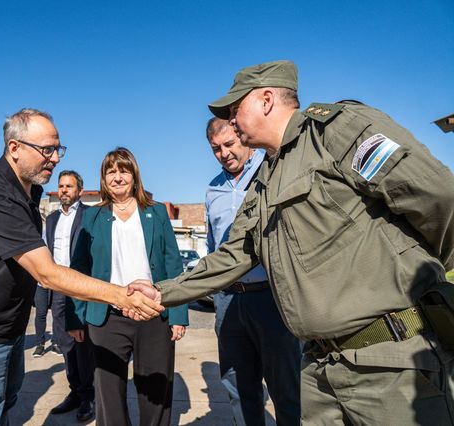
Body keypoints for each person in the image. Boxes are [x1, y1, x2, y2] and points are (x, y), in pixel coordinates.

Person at [128, 60, 454, 425]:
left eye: (236, 110)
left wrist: (433, 273)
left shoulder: (335, 130)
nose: (232, 121)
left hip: (387, 362)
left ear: (266, 100)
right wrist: (162, 293)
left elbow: (438, 197)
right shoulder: (266, 177)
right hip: (320, 368)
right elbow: (234, 254)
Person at [0, 109, 163, 425]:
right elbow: (47, 272)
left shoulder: (27, 188)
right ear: (15, 148)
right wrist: (122, 295)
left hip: (7, 326)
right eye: (47, 150)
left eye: (58, 149)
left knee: (4, 406)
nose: (56, 158)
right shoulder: (2, 197)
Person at [67, 147, 189, 426]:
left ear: (135, 176)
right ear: (103, 178)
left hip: (153, 314)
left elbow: (173, 264)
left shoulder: (156, 212)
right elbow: (79, 269)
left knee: (155, 392)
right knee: (108, 393)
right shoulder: (92, 216)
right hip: (107, 318)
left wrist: (178, 315)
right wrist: (75, 316)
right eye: (111, 171)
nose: (118, 177)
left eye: (124, 170)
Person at [205, 117, 301, 425]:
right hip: (229, 301)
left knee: (287, 388)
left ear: (243, 137)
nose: (224, 153)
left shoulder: (272, 171)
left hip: (271, 298)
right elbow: (213, 247)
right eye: (216, 148)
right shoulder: (213, 190)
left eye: (229, 144)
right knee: (238, 387)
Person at [44, 170, 95, 422]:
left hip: (81, 287)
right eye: (61, 186)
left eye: (69, 186)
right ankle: (75, 391)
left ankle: (88, 396)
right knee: (65, 344)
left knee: (83, 344)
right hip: (58, 289)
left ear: (79, 191)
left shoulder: (90, 215)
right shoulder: (51, 219)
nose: (64, 190)